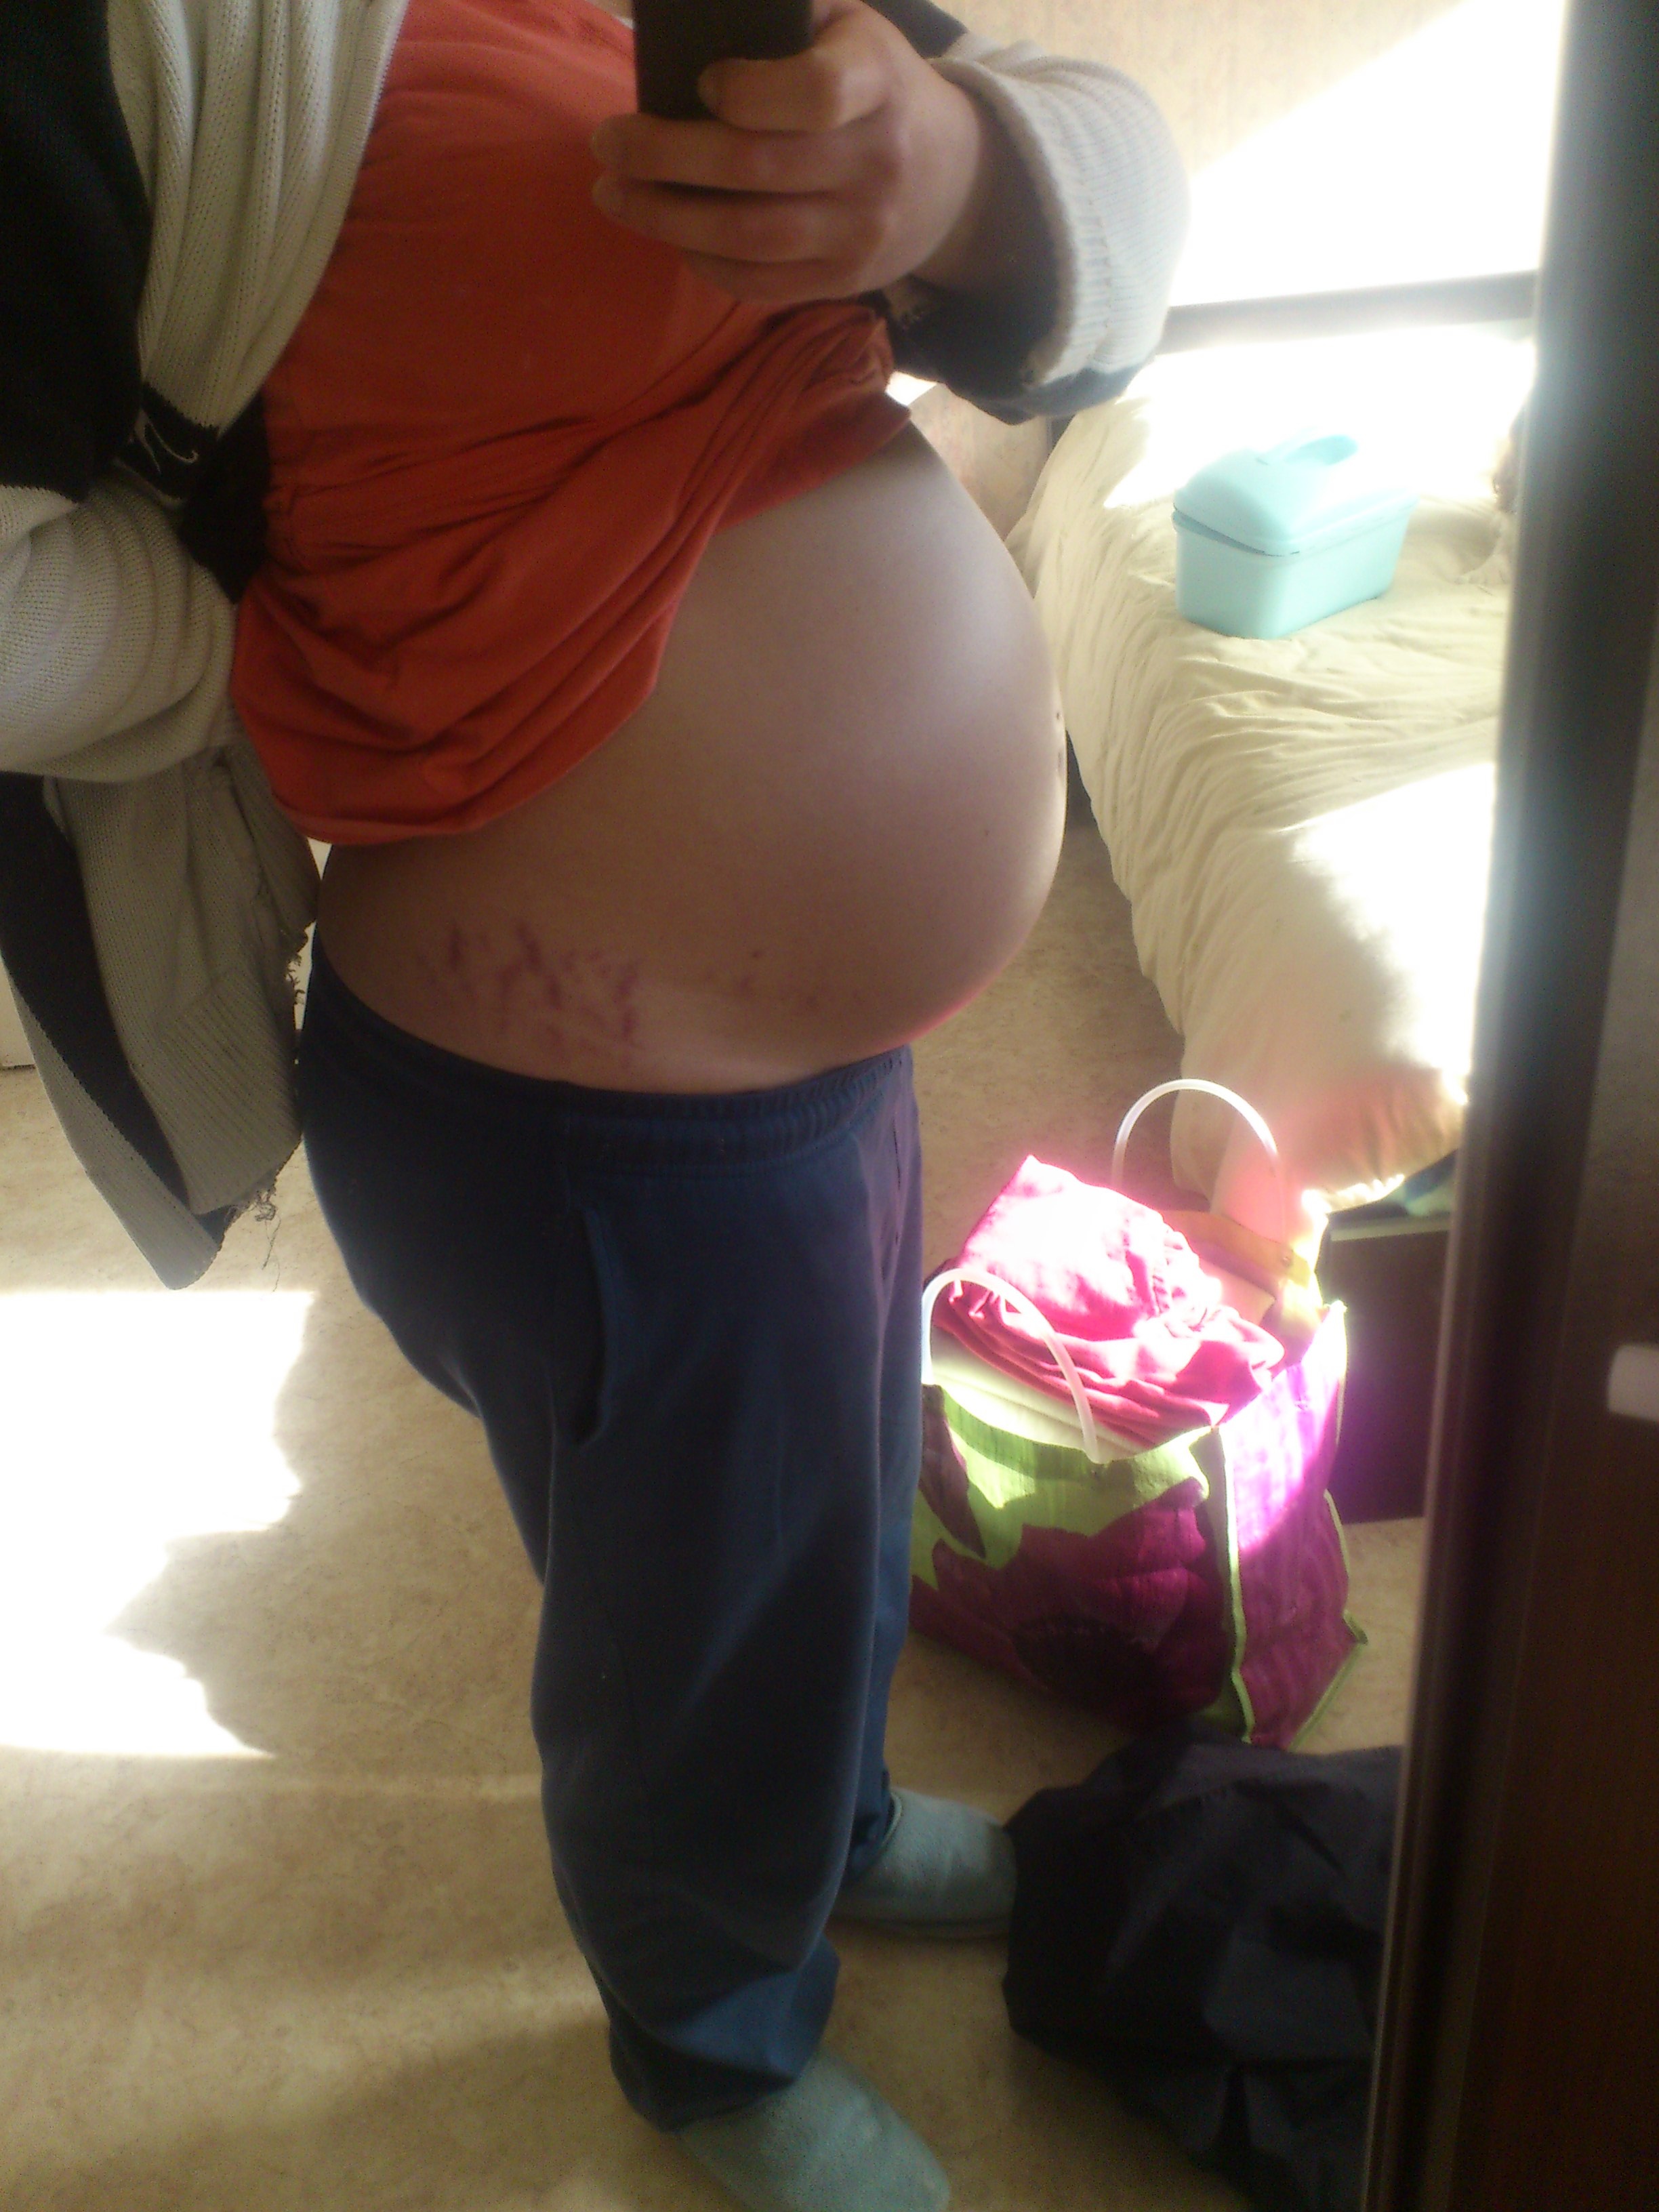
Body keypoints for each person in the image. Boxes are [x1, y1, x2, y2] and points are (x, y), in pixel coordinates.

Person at [0, 3, 1186, 2204]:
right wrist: (246, 619)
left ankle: (823, 1822)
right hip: (587, 1110)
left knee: (820, 1513)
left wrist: (957, 167)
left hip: (813, 1064)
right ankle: (710, 2042)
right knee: (687, 1636)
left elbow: (1102, 200)